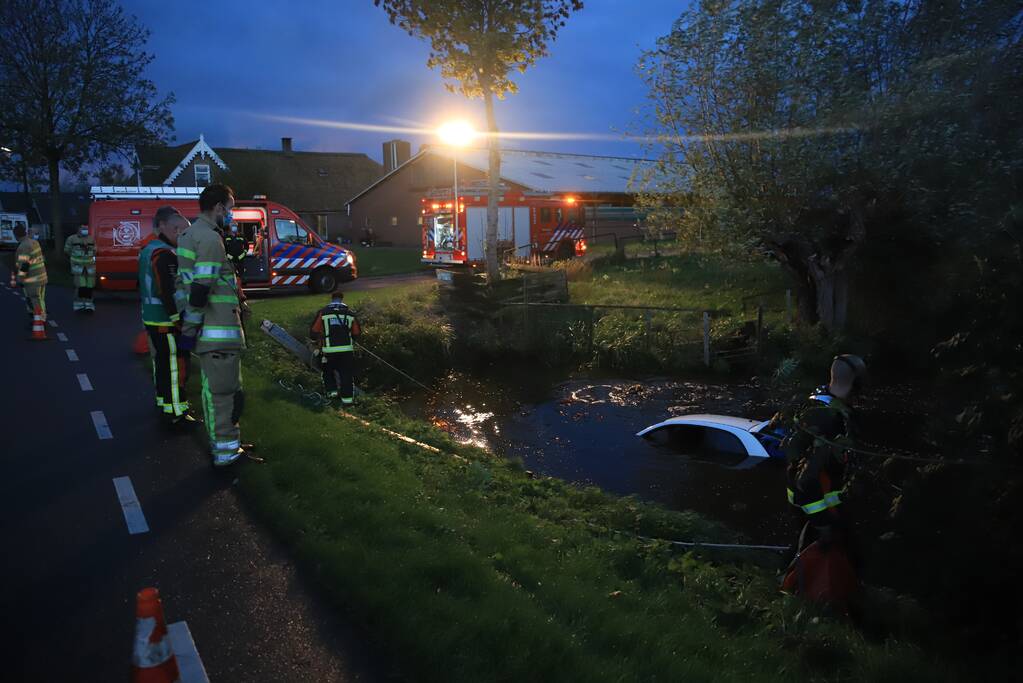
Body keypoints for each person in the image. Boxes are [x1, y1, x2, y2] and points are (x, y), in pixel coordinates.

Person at [779, 354, 867, 606]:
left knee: (801, 555)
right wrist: (824, 525)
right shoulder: (827, 418)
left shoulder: (818, 404)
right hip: (818, 512)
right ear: (856, 384)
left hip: (817, 509)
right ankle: (802, 607)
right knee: (815, 563)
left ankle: (799, 598)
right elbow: (806, 481)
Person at [176, 184, 250, 467]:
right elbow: (200, 289)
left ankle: (226, 444)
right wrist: (188, 331)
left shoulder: (190, 235)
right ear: (219, 207)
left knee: (219, 392)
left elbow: (186, 286)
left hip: (210, 332)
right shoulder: (208, 239)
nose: (231, 215)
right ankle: (227, 453)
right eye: (230, 209)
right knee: (224, 396)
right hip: (218, 331)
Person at [139, 206, 195, 425]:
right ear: (166, 227)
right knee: (175, 367)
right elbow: (169, 291)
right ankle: (176, 414)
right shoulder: (165, 254)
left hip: (153, 318)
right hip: (166, 321)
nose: (182, 235)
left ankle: (164, 403)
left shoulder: (149, 249)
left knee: (162, 365)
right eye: (179, 230)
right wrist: (179, 321)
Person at [309, 291, 361, 405]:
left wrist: (314, 341)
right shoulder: (350, 314)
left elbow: (314, 331)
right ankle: (347, 400)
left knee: (327, 372)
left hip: (329, 351)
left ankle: (332, 394)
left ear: (331, 299)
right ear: (342, 300)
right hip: (346, 351)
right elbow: (356, 333)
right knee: (346, 375)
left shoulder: (323, 313)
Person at [14, 224, 48, 340]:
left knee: (34, 299)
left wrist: (20, 279)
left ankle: (39, 322)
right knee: (40, 299)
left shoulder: (23, 246)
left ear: (16, 235)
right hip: (42, 276)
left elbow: (24, 265)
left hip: (33, 279)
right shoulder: (34, 242)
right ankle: (41, 319)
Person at [64, 224, 97, 312]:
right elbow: (66, 250)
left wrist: (90, 250)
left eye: (86, 228)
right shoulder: (72, 239)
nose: (85, 230)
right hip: (78, 267)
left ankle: (89, 305)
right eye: (83, 228)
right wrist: (76, 255)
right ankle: (78, 305)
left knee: (89, 286)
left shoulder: (91, 238)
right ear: (78, 229)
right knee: (80, 286)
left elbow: (95, 249)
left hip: (90, 267)